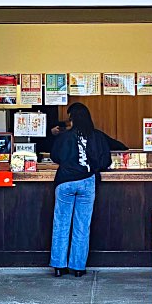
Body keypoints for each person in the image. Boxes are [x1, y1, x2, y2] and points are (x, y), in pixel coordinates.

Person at [49, 102, 115, 277]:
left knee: (61, 224)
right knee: (82, 226)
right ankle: (78, 267)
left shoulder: (64, 137)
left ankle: (58, 266)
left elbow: (55, 157)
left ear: (71, 119)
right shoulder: (97, 136)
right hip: (87, 181)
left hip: (65, 182)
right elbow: (105, 161)